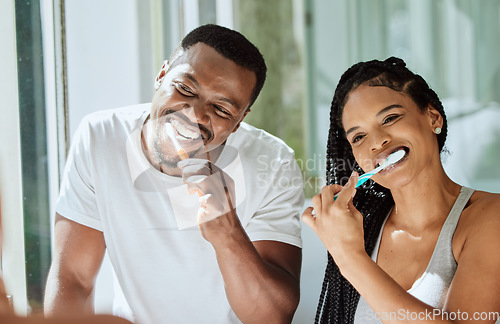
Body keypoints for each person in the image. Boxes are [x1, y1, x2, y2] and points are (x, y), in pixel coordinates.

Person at [44, 24, 304, 324]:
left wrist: (227, 233)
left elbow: (272, 317)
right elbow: (73, 278)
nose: (194, 114)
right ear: (162, 75)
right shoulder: (100, 137)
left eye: (221, 108)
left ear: (239, 121)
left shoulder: (273, 162)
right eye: (185, 88)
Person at [302, 57, 500, 323]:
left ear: (433, 117)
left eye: (390, 118)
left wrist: (349, 257)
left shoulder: (489, 217)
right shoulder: (362, 230)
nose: (377, 142)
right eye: (358, 137)